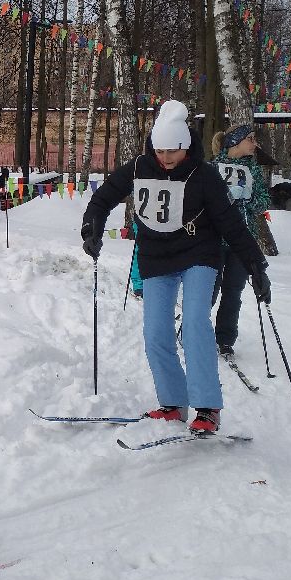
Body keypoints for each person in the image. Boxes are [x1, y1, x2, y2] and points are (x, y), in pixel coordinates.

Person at [80, 100, 270, 434]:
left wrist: (256, 266)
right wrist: (92, 225)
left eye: (173, 151)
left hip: (199, 252)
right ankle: (172, 404)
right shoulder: (139, 167)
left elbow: (231, 224)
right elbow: (104, 196)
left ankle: (208, 408)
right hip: (156, 257)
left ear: (185, 146)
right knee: (155, 332)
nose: (166, 158)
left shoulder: (204, 175)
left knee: (196, 321)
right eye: (160, 150)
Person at [210, 123, 271, 356]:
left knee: (233, 291)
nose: (255, 144)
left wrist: (244, 201)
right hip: (214, 240)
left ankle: (225, 339)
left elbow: (263, 200)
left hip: (243, 241)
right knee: (209, 290)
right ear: (235, 141)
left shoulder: (253, 170)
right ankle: (194, 330)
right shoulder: (212, 167)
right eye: (251, 139)